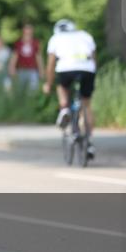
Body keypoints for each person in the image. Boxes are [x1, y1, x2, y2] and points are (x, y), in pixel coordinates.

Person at [43, 19, 97, 160]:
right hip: (87, 69)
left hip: (66, 68)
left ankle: (64, 108)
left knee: (62, 86)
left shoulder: (55, 38)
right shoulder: (85, 35)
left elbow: (50, 65)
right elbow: (94, 59)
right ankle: (89, 142)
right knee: (87, 104)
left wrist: (48, 84)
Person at [9, 23, 44, 91]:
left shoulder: (35, 43)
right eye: (26, 30)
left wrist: (41, 70)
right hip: (21, 70)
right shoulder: (18, 43)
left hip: (33, 70)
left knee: (33, 90)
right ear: (23, 31)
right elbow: (14, 56)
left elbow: (39, 57)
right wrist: (11, 67)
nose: (28, 32)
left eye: (29, 30)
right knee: (20, 90)